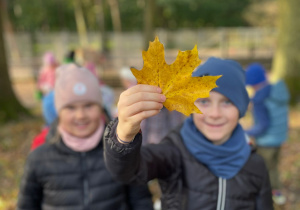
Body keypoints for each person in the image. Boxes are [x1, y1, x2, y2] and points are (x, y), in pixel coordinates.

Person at [104, 57, 273, 210]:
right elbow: (127, 172)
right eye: (204, 101)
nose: (214, 114)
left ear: (241, 108)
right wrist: (123, 137)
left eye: (227, 102)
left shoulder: (255, 164)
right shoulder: (173, 152)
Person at [17, 64, 154, 210]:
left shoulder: (123, 152)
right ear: (58, 111)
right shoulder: (39, 158)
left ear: (101, 107)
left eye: (89, 105)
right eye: (71, 107)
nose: (81, 115)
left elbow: (141, 201)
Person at [245, 63, 290, 205]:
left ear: (253, 84)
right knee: (273, 167)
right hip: (279, 138)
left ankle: (267, 195)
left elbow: (262, 126)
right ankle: (278, 194)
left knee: (264, 170)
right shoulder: (276, 92)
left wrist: (246, 131)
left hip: (266, 141)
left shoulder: (259, 100)